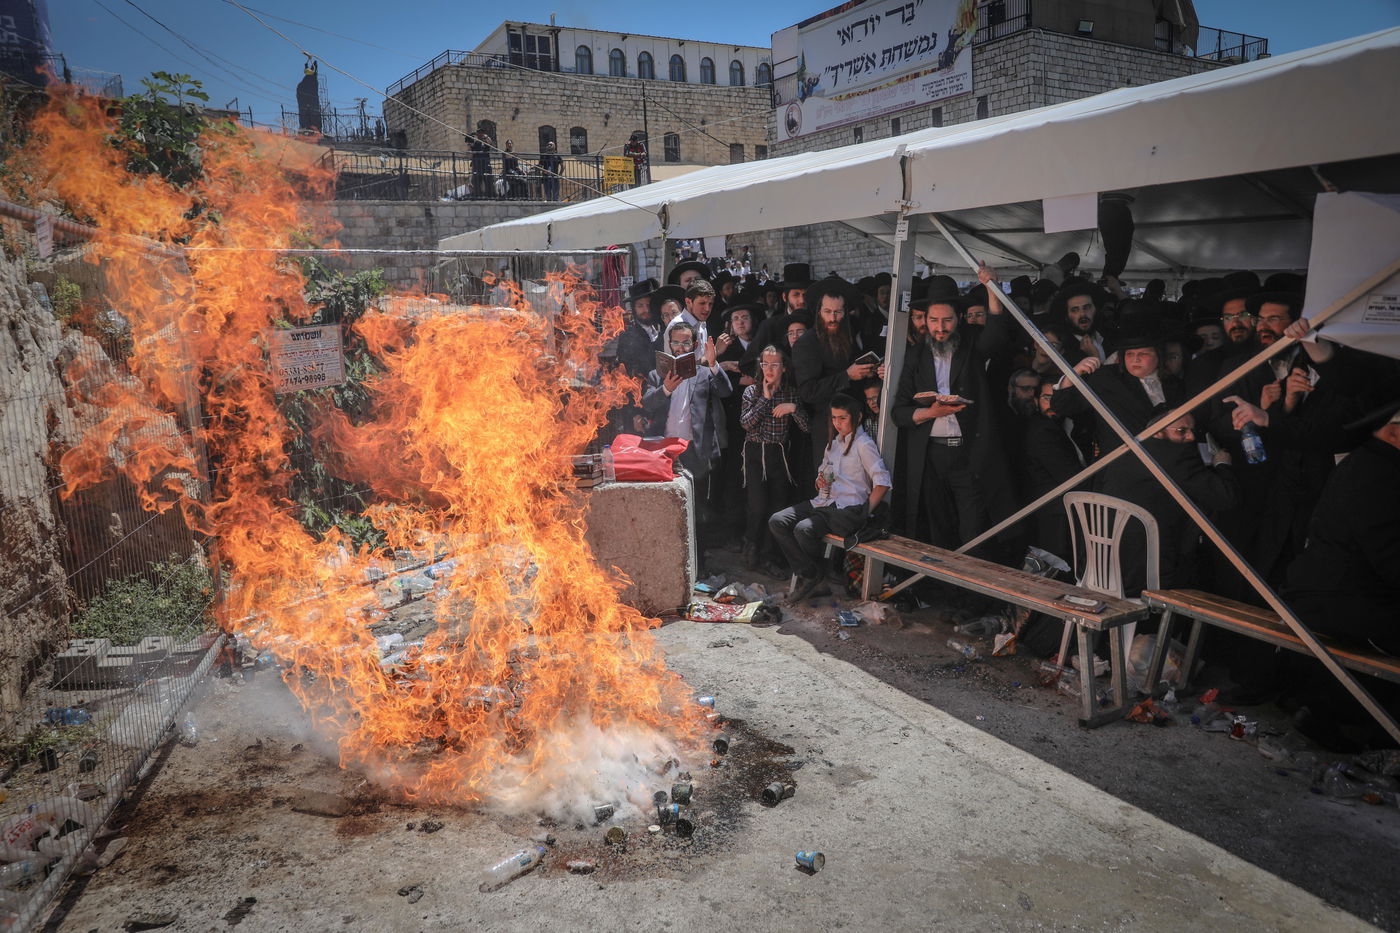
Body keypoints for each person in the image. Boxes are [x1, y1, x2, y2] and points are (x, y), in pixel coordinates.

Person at [891, 263, 1014, 550]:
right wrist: (930, 413)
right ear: (925, 319)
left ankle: (971, 578)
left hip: (968, 453)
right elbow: (899, 412)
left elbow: (996, 335)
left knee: (973, 528)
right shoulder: (915, 355)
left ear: (959, 318)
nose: (940, 328)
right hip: (931, 456)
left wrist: (991, 288)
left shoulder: (971, 344)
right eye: (934, 320)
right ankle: (940, 579)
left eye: (947, 320)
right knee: (938, 527)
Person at [1285, 398, 1400, 653]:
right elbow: (1389, 553)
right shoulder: (1378, 471)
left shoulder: (1371, 462)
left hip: (1336, 598)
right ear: (1393, 432)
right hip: (1345, 606)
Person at [1099, 406, 1239, 596]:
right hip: (1148, 570)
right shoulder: (1175, 456)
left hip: (1102, 561)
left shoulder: (1126, 450)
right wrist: (1222, 464)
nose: (1191, 437)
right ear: (1157, 432)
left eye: (1192, 430)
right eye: (1181, 431)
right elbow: (1225, 497)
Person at [769, 393, 890, 603]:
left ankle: (813, 577)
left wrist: (865, 512)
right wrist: (820, 481)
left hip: (845, 510)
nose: (837, 423)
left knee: (804, 529)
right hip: (824, 503)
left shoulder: (863, 444)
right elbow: (823, 474)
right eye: (834, 418)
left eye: (843, 418)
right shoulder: (833, 444)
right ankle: (812, 575)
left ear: (857, 417)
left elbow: (883, 482)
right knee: (777, 521)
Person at [793, 278, 880, 474]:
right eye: (828, 312)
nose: (833, 318)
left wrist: (870, 372)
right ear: (819, 312)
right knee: (830, 483)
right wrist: (847, 376)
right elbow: (808, 391)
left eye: (838, 312)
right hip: (828, 428)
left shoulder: (849, 335)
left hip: (857, 425)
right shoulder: (806, 344)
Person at [740, 346, 810, 571]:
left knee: (777, 508)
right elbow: (746, 423)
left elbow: (807, 427)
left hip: (779, 455)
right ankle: (751, 548)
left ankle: (770, 556)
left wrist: (793, 408)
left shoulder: (791, 393)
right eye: (765, 364)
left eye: (774, 364)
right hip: (754, 453)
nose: (769, 369)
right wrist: (765, 399)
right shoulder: (751, 391)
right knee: (757, 506)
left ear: (784, 367)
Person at [641, 322, 731, 483]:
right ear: (670, 344)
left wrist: (713, 364)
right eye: (676, 342)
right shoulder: (657, 375)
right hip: (665, 448)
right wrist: (666, 389)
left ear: (695, 345)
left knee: (700, 496)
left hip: (696, 449)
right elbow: (647, 404)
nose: (680, 348)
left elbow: (726, 391)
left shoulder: (705, 373)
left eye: (686, 343)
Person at [468, 130, 492, 199]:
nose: (480, 135)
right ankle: (478, 196)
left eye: (481, 133)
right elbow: (470, 152)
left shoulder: (485, 143)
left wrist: (486, 137)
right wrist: (469, 141)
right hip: (477, 165)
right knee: (477, 182)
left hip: (485, 165)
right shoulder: (476, 143)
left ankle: (489, 196)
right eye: (478, 133)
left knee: (488, 181)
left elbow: (490, 143)